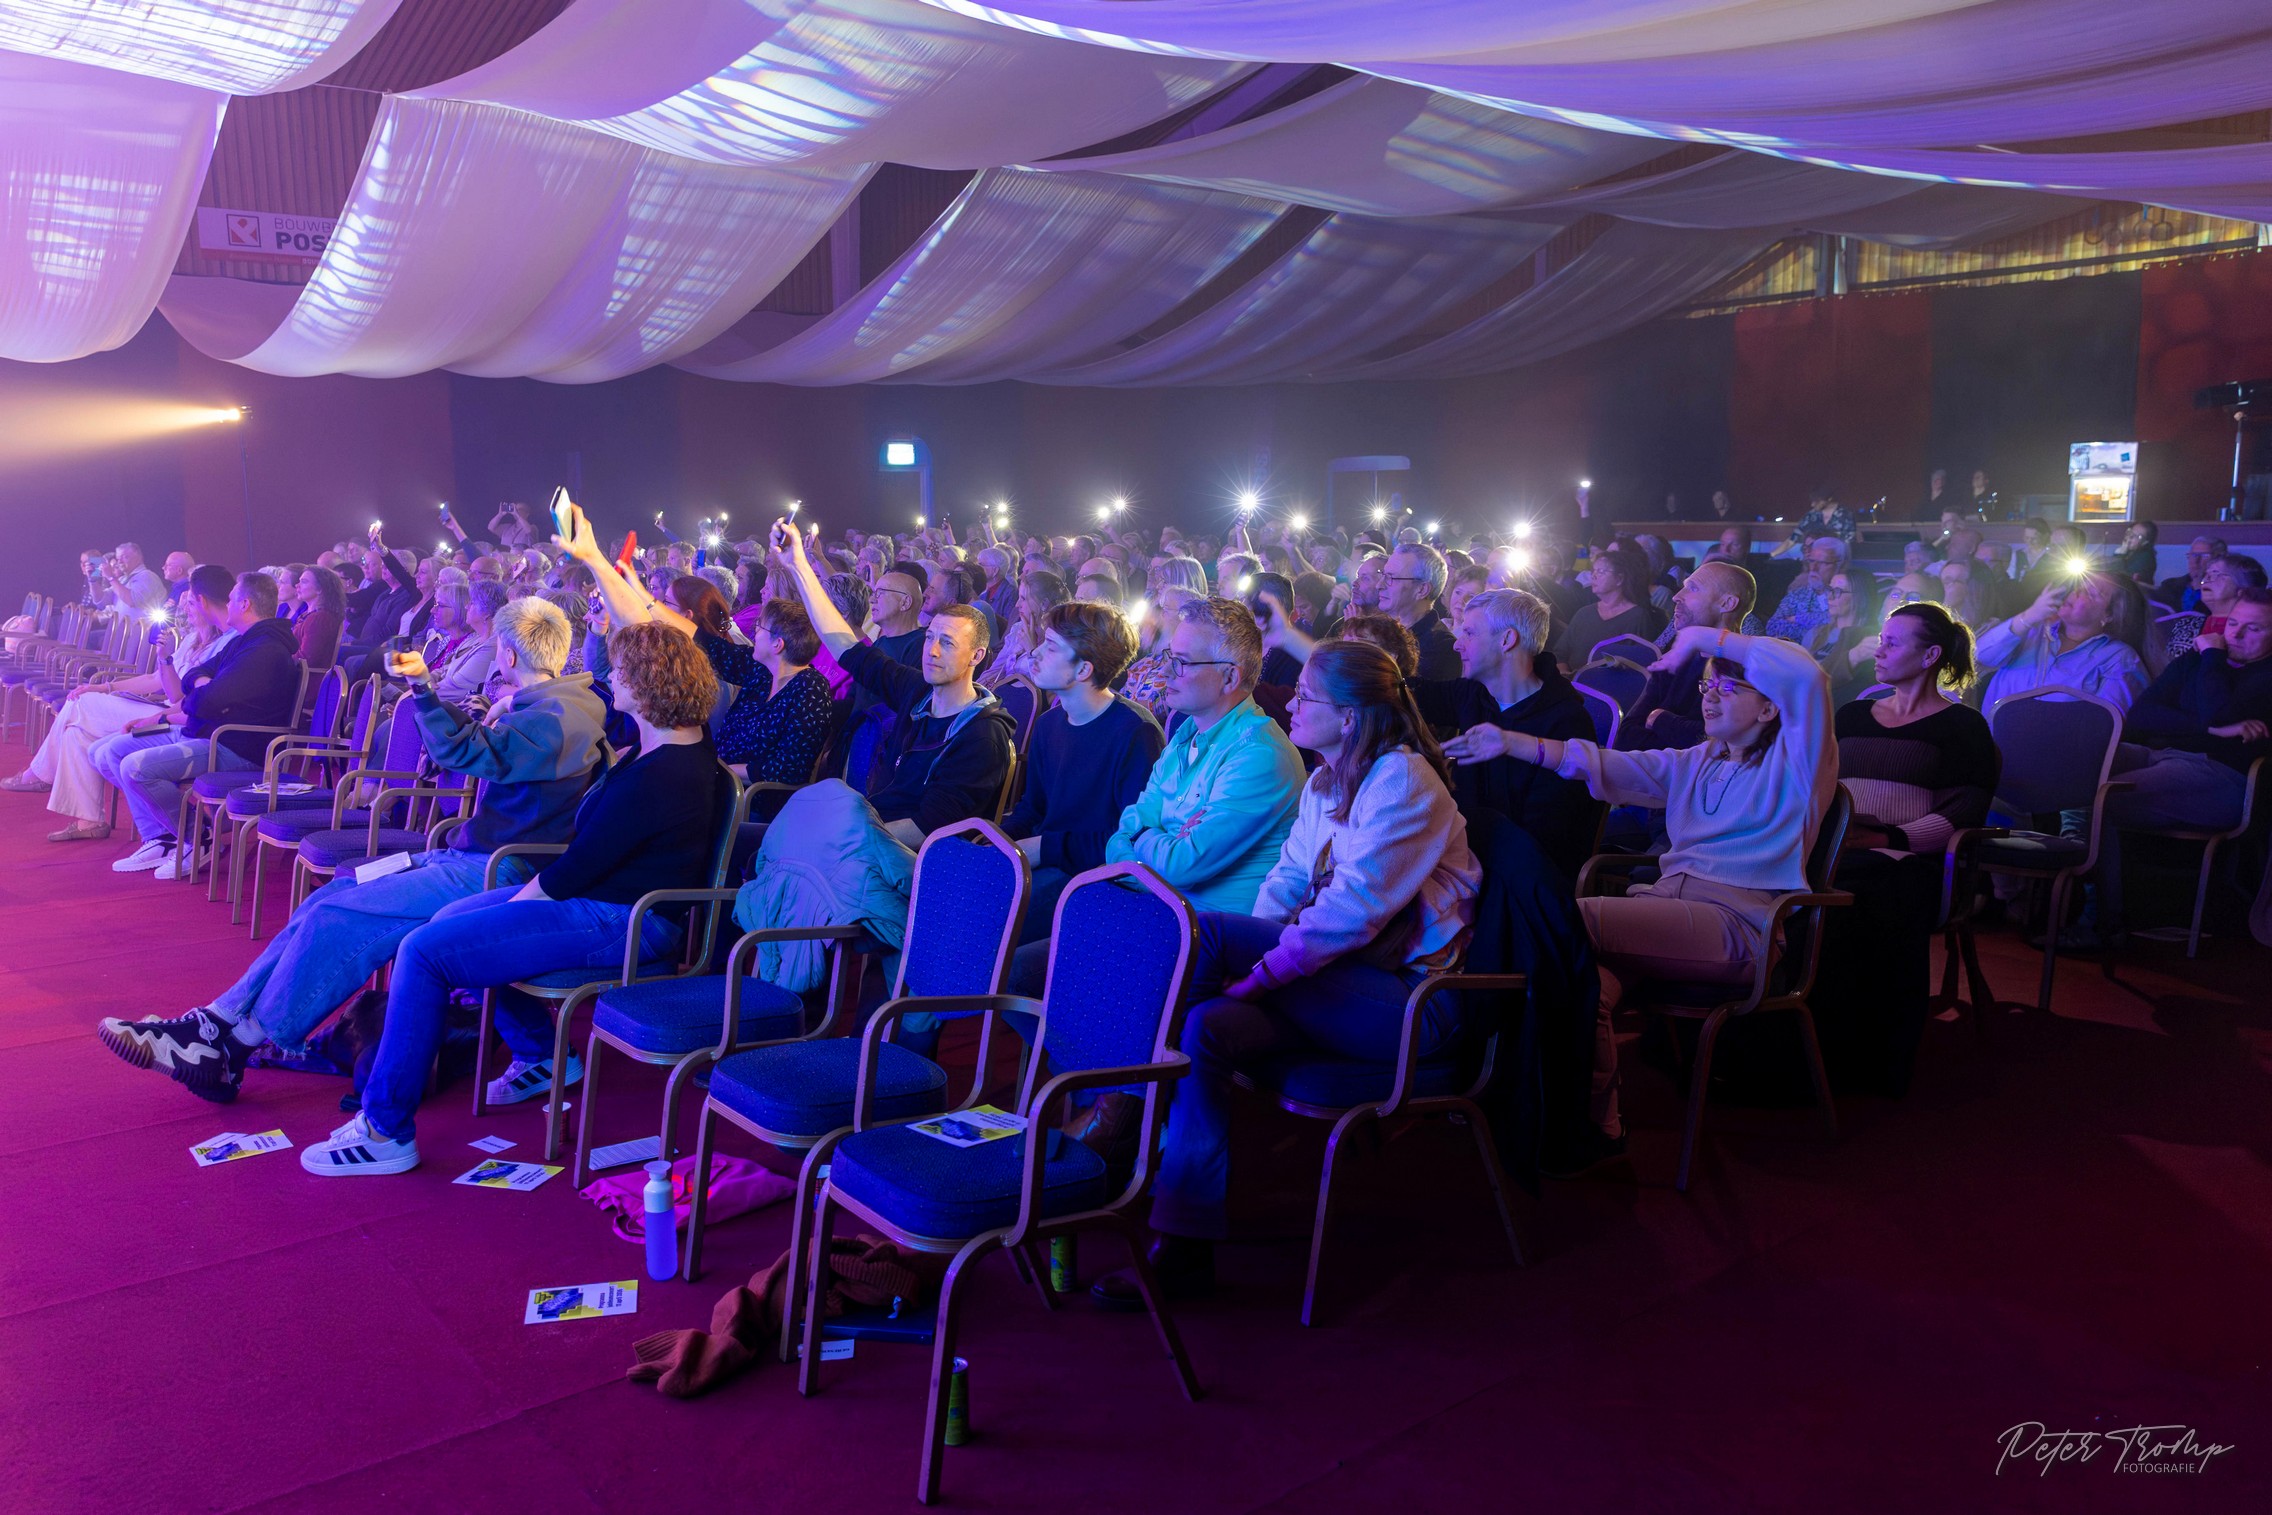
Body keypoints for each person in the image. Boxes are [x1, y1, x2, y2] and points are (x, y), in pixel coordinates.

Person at [94, 597, 610, 1105]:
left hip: (498, 868)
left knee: (337, 915)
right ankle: (218, 1021)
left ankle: (234, 1045)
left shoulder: (554, 717)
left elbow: (461, 752)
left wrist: (423, 687)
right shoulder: (564, 703)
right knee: (331, 894)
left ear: (507, 655)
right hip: (475, 854)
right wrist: (504, 704)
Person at [1095, 639, 1481, 1303]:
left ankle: (1119, 1122)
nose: (1290, 705)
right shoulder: (1326, 781)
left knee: (1208, 934)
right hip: (1342, 985)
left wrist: (1256, 974)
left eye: (1305, 697)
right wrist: (1246, 966)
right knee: (1206, 1023)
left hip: (1413, 1005)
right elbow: (1286, 883)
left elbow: (1348, 915)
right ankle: (1184, 1242)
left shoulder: (1403, 780)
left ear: (1350, 717)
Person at [281, 621, 730, 1176]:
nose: (611, 678)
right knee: (445, 923)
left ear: (648, 684)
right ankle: (541, 1052)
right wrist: (510, 701)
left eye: (620, 671)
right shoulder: (671, 742)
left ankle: (385, 1129)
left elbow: (574, 870)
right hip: (603, 903)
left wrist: (507, 915)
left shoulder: (665, 773)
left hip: (626, 920)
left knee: (428, 951)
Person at [1464, 626, 1835, 1153]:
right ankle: (1595, 1127)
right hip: (1662, 913)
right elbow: (1607, 764)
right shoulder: (1699, 760)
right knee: (1583, 986)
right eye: (1707, 686)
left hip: (1738, 929)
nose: (1709, 698)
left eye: (1728, 688)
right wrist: (1510, 742)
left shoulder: (1798, 762)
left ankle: (1464, 1060)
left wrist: (1703, 637)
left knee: (1561, 916)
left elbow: (1806, 675)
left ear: (1770, 708)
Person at [1819, 604, 1997, 1094]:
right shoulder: (1853, 714)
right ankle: (1802, 1039)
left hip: (1915, 861)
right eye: (1881, 640)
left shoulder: (1962, 727)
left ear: (1930, 655)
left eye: (1893, 642)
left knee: (1873, 887)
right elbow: (1819, 786)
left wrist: (1892, 838)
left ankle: (1873, 1057)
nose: (1879, 650)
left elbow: (1965, 810)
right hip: (1841, 848)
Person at [779, 519, 1012, 845]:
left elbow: (930, 829)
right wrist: (799, 566)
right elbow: (846, 646)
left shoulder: (981, 735)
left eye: (946, 642)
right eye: (929, 637)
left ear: (976, 656)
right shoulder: (918, 691)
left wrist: (844, 835)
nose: (931, 651)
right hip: (871, 830)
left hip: (903, 856)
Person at [2082, 588, 2272, 947]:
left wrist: (2213, 656)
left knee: (2102, 799)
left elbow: (2218, 711)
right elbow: (2142, 715)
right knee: (2079, 766)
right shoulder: (2197, 659)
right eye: (2233, 623)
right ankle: (2048, 897)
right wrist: (2209, 729)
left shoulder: (2252, 670)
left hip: (2222, 777)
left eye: (2255, 629)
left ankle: (2101, 923)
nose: (2236, 634)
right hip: (2165, 755)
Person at [2, 566, 239, 839]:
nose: (185, 609)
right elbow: (155, 680)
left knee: (82, 704)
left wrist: (150, 710)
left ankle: (40, 773)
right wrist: (109, 684)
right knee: (76, 732)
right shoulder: (190, 640)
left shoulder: (224, 645)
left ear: (204, 603)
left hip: (175, 715)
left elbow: (181, 699)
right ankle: (89, 821)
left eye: (190, 603)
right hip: (165, 707)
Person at [1102, 596, 1306, 914]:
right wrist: (1157, 843)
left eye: (1182, 662)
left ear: (1229, 677)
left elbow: (1180, 865)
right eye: (1169, 656)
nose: (1166, 671)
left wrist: (1142, 834)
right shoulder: (1185, 736)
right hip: (1160, 910)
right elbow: (1119, 840)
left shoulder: (1260, 755)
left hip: (1214, 933)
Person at [94, 572, 301, 881]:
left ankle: (198, 838)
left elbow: (206, 701)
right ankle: (164, 838)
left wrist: (203, 693)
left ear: (245, 604)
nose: (227, 602)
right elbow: (195, 677)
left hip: (236, 748)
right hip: (212, 734)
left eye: (231, 598)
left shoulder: (264, 649)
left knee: (136, 768)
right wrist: (205, 688)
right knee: (116, 753)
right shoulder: (246, 641)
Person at [1000, 601, 1163, 938]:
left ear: (1084, 670)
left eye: (1051, 646)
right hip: (1047, 859)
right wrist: (998, 842)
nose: (1036, 653)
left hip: (1093, 877)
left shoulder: (1136, 732)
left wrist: (1043, 847)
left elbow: (1130, 838)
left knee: (991, 916)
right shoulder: (1049, 724)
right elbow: (1032, 808)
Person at [1620, 559, 1757, 752]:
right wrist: (1680, 733)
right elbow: (1626, 737)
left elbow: (1722, 745)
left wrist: (1661, 720)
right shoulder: (1672, 662)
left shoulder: (1749, 670)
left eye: (1693, 588)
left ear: (1727, 603)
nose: (1676, 597)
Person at [1975, 570, 2149, 713]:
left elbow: (2108, 724)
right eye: (2079, 586)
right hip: (1991, 741)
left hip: (2056, 744)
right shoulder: (2032, 632)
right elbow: (1981, 656)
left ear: (2110, 615)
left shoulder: (2118, 657)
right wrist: (2029, 616)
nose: (2077, 592)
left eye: (2091, 593)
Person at [1555, 543, 1665, 668]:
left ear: (1619, 579)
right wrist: (1563, 672)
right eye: (1593, 571)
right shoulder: (1584, 613)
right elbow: (1560, 653)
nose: (1594, 576)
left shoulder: (1638, 617)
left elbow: (1643, 663)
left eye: (1601, 571)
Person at [2161, 553, 2265, 662]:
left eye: (2216, 574)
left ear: (2242, 590)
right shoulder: (2185, 624)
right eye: (2206, 574)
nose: (2206, 579)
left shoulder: (2252, 633)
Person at [982, 567, 1069, 688]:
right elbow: (994, 671)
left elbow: (1045, 686)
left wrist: (1031, 650)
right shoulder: (1018, 629)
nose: (1017, 605)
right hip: (1003, 695)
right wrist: (976, 692)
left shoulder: (1058, 640)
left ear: (1044, 604)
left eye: (1023, 598)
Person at [1762, 534, 1847, 645]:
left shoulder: (1847, 594)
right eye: (1811, 561)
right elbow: (1772, 628)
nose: (1814, 568)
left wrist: (1797, 619)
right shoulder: (1797, 594)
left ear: (1840, 565)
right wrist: (1814, 630)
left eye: (1823, 562)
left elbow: (1841, 627)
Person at [2156, 536, 2223, 612]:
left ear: (2219, 559)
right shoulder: (2169, 586)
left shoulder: (2224, 594)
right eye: (2193, 555)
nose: (2195, 561)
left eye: (2204, 556)